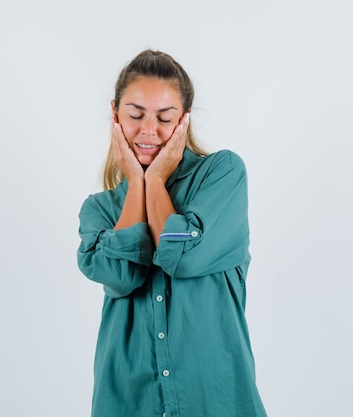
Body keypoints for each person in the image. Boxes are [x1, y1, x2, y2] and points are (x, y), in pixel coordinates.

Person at [77, 49, 268, 417]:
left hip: (217, 401)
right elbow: (121, 277)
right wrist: (137, 183)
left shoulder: (221, 175)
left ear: (185, 121)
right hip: (127, 402)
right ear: (115, 115)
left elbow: (184, 256)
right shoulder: (99, 209)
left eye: (165, 118)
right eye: (135, 116)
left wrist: (158, 181)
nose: (149, 130)